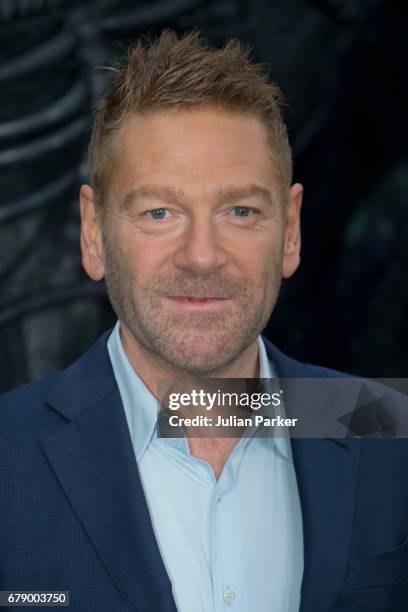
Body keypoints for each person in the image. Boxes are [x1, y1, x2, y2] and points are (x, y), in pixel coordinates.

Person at [1, 30, 407, 612]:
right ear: (94, 233)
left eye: (240, 211)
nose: (201, 256)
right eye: (159, 211)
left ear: (290, 231)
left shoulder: (383, 425)